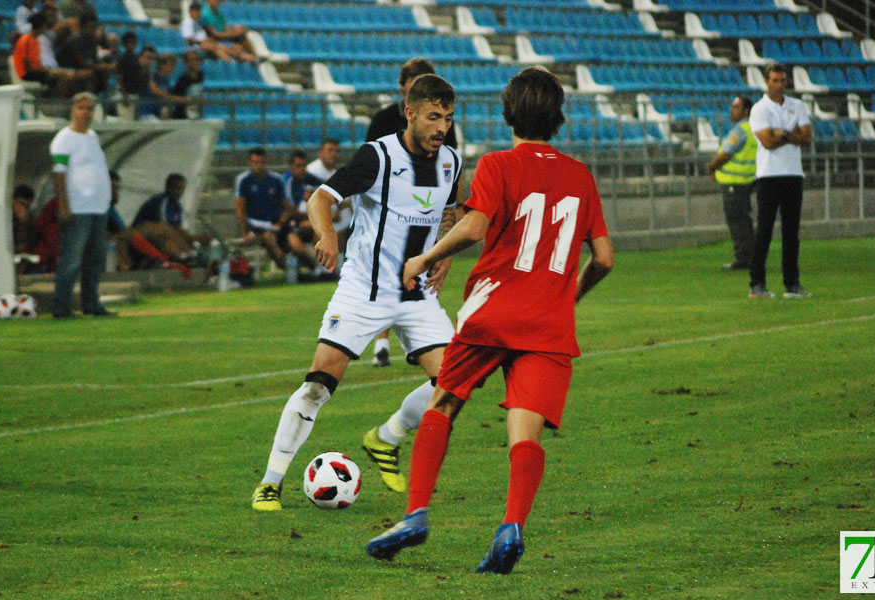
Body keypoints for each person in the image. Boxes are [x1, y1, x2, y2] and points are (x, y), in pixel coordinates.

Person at [365, 66, 614, 575]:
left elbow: (475, 225)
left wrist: (423, 258)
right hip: (549, 324)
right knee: (525, 429)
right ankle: (512, 525)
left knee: (444, 403)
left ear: (508, 113)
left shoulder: (499, 164)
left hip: (493, 312)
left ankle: (415, 514)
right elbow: (605, 258)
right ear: (558, 116)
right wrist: (568, 298)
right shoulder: (580, 175)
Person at [250, 73, 463, 511]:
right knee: (317, 386)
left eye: (447, 118)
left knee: (456, 383)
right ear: (410, 113)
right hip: (364, 290)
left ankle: (386, 438)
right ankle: (271, 481)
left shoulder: (451, 162)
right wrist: (326, 235)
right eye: (432, 117)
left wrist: (445, 253)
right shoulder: (378, 156)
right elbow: (320, 199)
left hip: (416, 295)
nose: (441, 128)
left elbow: (448, 213)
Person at [364, 58, 458, 367]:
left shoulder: (443, 124)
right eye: (414, 82)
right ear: (403, 87)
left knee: (423, 272)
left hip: (426, 206)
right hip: (389, 209)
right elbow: (370, 165)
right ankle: (381, 344)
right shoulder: (383, 120)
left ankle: (418, 341)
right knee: (386, 275)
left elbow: (449, 165)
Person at [747, 63, 813, 299]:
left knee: (791, 232)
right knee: (764, 229)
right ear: (767, 82)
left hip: (793, 174)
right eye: (775, 80)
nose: (780, 85)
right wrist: (790, 135)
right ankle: (756, 284)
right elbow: (767, 142)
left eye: (783, 81)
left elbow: (807, 138)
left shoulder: (797, 105)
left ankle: (792, 284)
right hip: (769, 174)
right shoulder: (759, 109)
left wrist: (782, 133)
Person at [49, 92, 116, 319]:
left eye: (90, 108)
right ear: (72, 110)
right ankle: (61, 306)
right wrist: (64, 206)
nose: (86, 112)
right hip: (78, 208)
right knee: (72, 259)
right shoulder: (64, 139)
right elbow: (59, 174)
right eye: (82, 108)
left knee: (95, 260)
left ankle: (91, 303)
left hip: (97, 207)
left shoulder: (92, 137)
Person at [234, 147, 319, 278]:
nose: (259, 166)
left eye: (261, 162)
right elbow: (240, 208)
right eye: (255, 162)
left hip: (278, 224)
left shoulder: (276, 179)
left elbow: (287, 206)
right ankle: (294, 274)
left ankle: (319, 271)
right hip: (258, 227)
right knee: (269, 239)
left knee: (296, 244)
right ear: (249, 163)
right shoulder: (243, 180)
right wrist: (245, 232)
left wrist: (280, 223)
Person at [707, 96, 757, 271]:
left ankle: (743, 258)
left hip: (734, 182)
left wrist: (712, 166)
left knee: (736, 221)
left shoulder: (740, 130)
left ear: (746, 111)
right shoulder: (755, 128)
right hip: (747, 180)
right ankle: (752, 257)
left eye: (736, 107)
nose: (731, 110)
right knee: (744, 221)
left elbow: (726, 154)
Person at [365, 57, 457, 148]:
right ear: (402, 85)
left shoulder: (443, 120)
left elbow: (449, 154)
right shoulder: (383, 119)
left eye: (423, 83)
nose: (417, 87)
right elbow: (371, 155)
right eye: (412, 81)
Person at [170, 49, 205, 119]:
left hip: (196, 111)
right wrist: (187, 100)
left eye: (197, 59)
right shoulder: (183, 79)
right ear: (186, 63)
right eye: (191, 60)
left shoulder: (201, 75)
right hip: (182, 114)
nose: (195, 62)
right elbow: (173, 98)